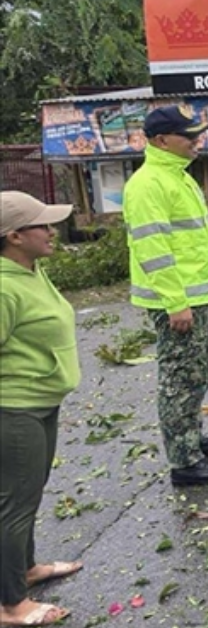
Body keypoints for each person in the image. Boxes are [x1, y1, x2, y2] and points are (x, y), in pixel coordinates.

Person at [123, 105, 208, 487]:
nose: (196, 141)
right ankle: (184, 461)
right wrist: (176, 303)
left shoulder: (178, 176)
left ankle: (192, 437)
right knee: (180, 379)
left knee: (200, 371)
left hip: (196, 295)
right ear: (161, 140)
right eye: (188, 136)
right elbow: (153, 250)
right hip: (176, 302)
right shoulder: (148, 184)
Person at [1, 192, 81, 626]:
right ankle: (10, 605)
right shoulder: (3, 287)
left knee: (28, 493)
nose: (52, 232)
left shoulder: (31, 271)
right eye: (43, 226)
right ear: (14, 236)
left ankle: (26, 570)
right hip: (15, 409)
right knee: (14, 504)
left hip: (42, 401)